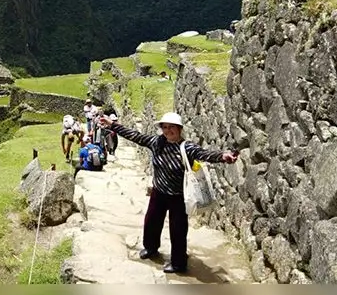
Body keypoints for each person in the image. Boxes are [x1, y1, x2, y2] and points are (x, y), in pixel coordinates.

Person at [101, 111, 238, 275]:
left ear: (179, 129)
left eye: (171, 127)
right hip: (158, 192)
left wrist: (223, 156)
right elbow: (135, 136)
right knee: (151, 221)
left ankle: (178, 263)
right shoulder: (156, 142)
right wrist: (113, 125)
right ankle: (151, 248)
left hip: (178, 196)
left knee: (178, 230)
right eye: (164, 127)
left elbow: (205, 154)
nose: (167, 131)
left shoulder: (187, 148)